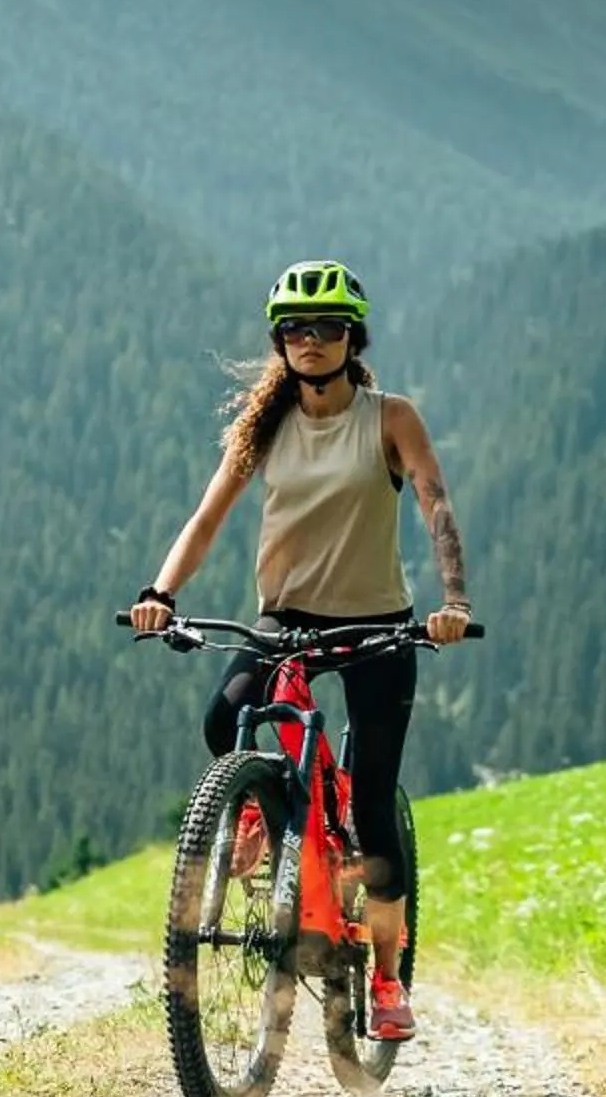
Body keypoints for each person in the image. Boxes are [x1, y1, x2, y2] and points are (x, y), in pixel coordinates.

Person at [129, 257, 475, 1042]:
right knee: (226, 725)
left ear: (354, 337)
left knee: (372, 807)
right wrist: (160, 594)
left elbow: (435, 504)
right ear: (279, 341)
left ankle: (386, 980)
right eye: (293, 329)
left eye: (325, 328)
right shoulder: (266, 425)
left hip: (378, 627)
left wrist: (452, 603)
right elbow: (208, 517)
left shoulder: (391, 418)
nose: (309, 340)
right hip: (284, 622)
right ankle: (263, 810)